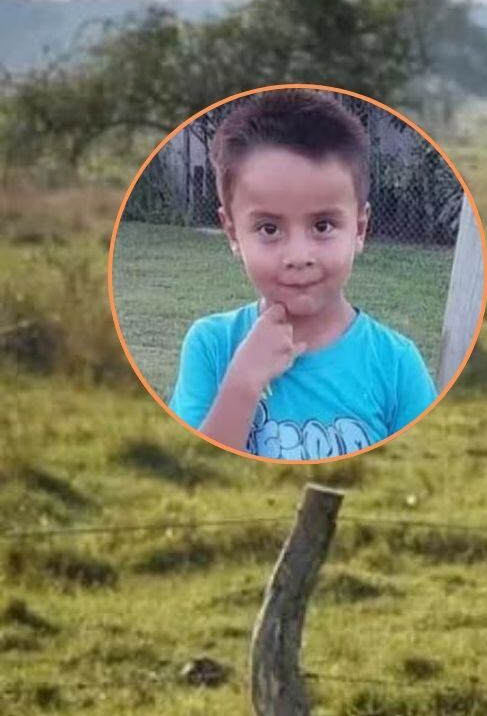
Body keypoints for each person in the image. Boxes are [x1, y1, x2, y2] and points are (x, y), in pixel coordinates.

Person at [168, 89, 436, 460]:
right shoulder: (212, 347)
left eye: (323, 225)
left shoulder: (396, 365)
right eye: (269, 229)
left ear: (359, 229)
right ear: (232, 233)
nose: (298, 256)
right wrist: (243, 382)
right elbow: (190, 484)